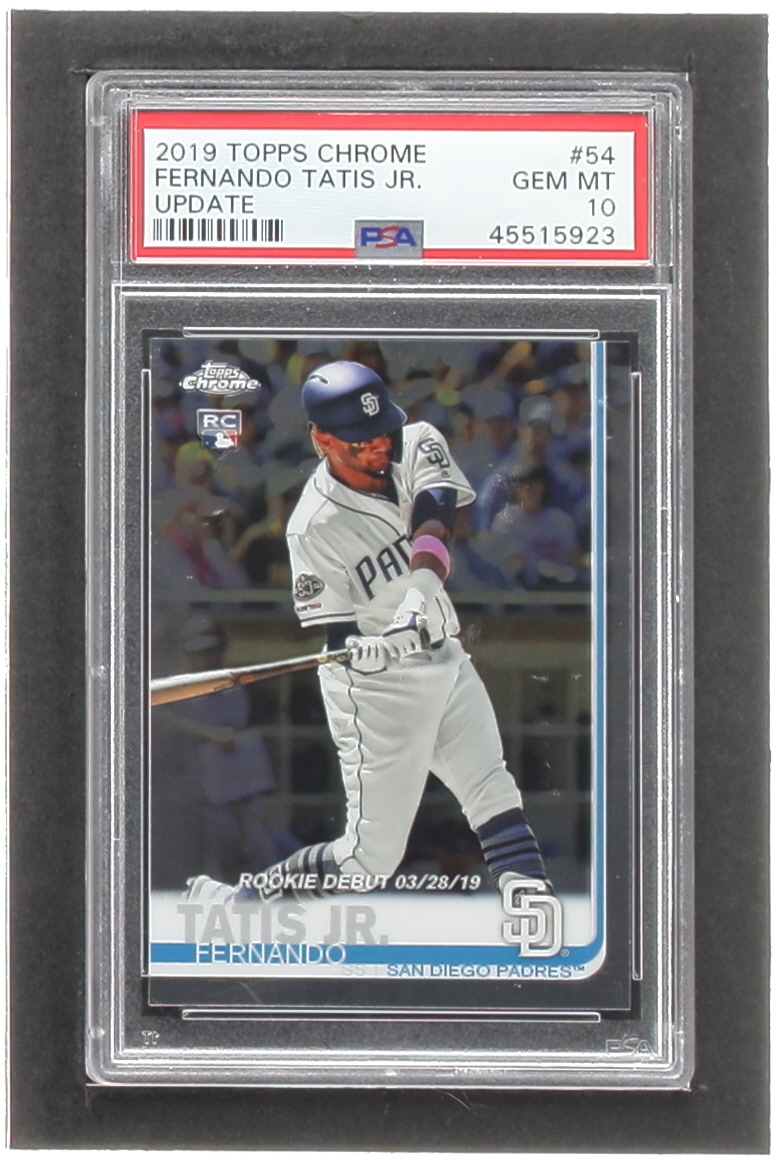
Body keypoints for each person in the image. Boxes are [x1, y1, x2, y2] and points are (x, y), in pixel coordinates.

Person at [187, 360, 552, 910]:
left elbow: (434, 523)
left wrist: (413, 603)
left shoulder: (418, 441)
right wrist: (365, 649)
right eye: (359, 441)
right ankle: (242, 900)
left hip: (442, 653)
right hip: (376, 690)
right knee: (368, 861)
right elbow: (336, 633)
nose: (378, 446)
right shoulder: (312, 525)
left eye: (381, 430)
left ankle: (532, 907)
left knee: (491, 787)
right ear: (322, 440)